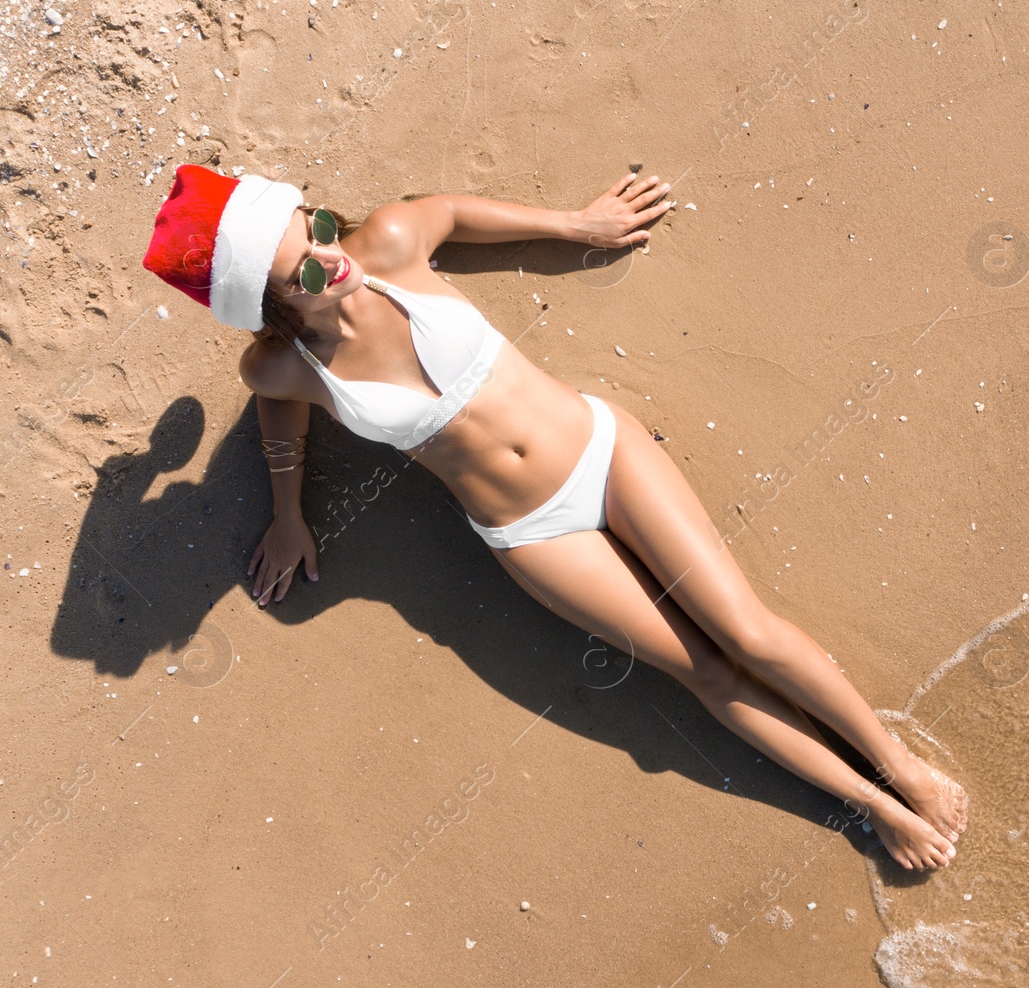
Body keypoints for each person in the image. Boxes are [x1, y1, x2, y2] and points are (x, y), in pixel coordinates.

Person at [141, 164, 967, 870]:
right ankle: (871, 805)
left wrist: (582, 223)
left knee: (746, 632)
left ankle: (903, 765)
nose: (334, 257)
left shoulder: (388, 243)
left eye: (317, 225)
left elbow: (457, 216)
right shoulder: (282, 364)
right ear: (272, 307)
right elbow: (277, 413)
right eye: (307, 271)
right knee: (703, 671)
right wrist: (289, 513)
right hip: (534, 535)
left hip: (606, 456)